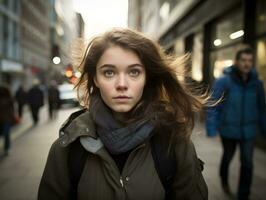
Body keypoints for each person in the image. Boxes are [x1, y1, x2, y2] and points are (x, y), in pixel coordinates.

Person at [38, 28, 208, 200]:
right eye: (109, 72)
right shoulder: (67, 148)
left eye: (134, 72)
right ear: (96, 79)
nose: (121, 84)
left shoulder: (175, 143)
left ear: (146, 77)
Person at [206, 47, 266, 200]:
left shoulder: (257, 83)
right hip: (229, 129)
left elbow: (262, 107)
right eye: (243, 60)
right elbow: (213, 104)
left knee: (247, 162)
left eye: (250, 61)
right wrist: (212, 128)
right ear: (236, 62)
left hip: (249, 130)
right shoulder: (224, 81)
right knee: (227, 157)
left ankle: (243, 195)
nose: (247, 64)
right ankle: (224, 180)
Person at [0, 85, 15, 156]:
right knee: (6, 134)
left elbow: (13, 109)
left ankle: (7, 148)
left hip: (7, 120)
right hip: (3, 120)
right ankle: (7, 147)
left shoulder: (9, 99)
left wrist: (12, 117)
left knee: (6, 134)